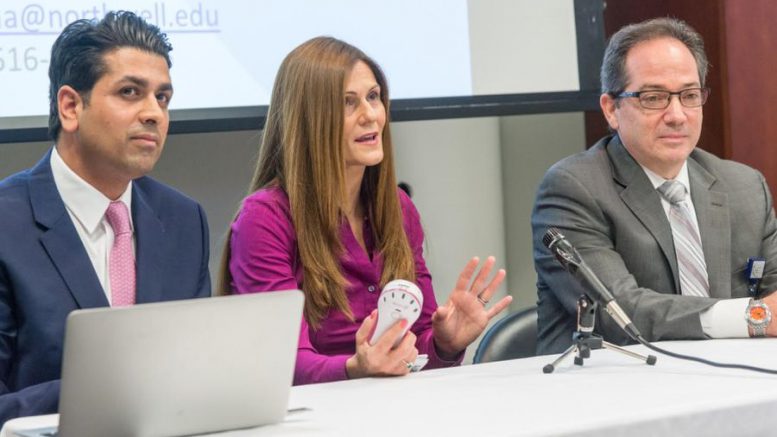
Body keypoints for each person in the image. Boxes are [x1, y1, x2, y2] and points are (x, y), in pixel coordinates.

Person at [219, 36, 512, 384]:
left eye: (373, 97)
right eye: (348, 102)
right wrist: (355, 369)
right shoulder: (264, 218)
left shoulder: (398, 208)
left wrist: (444, 345)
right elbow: (280, 361)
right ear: (310, 119)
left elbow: (414, 351)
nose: (370, 115)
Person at [0, 11, 211, 424]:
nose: (154, 113)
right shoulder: (6, 224)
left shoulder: (184, 220)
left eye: (162, 98)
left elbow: (196, 370)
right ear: (70, 107)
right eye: (130, 92)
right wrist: (101, 391)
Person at [532, 17, 777, 355]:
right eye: (653, 97)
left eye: (689, 95)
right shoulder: (573, 188)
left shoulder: (744, 188)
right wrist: (752, 316)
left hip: (734, 379)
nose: (677, 115)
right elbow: (620, 312)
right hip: (613, 381)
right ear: (611, 109)